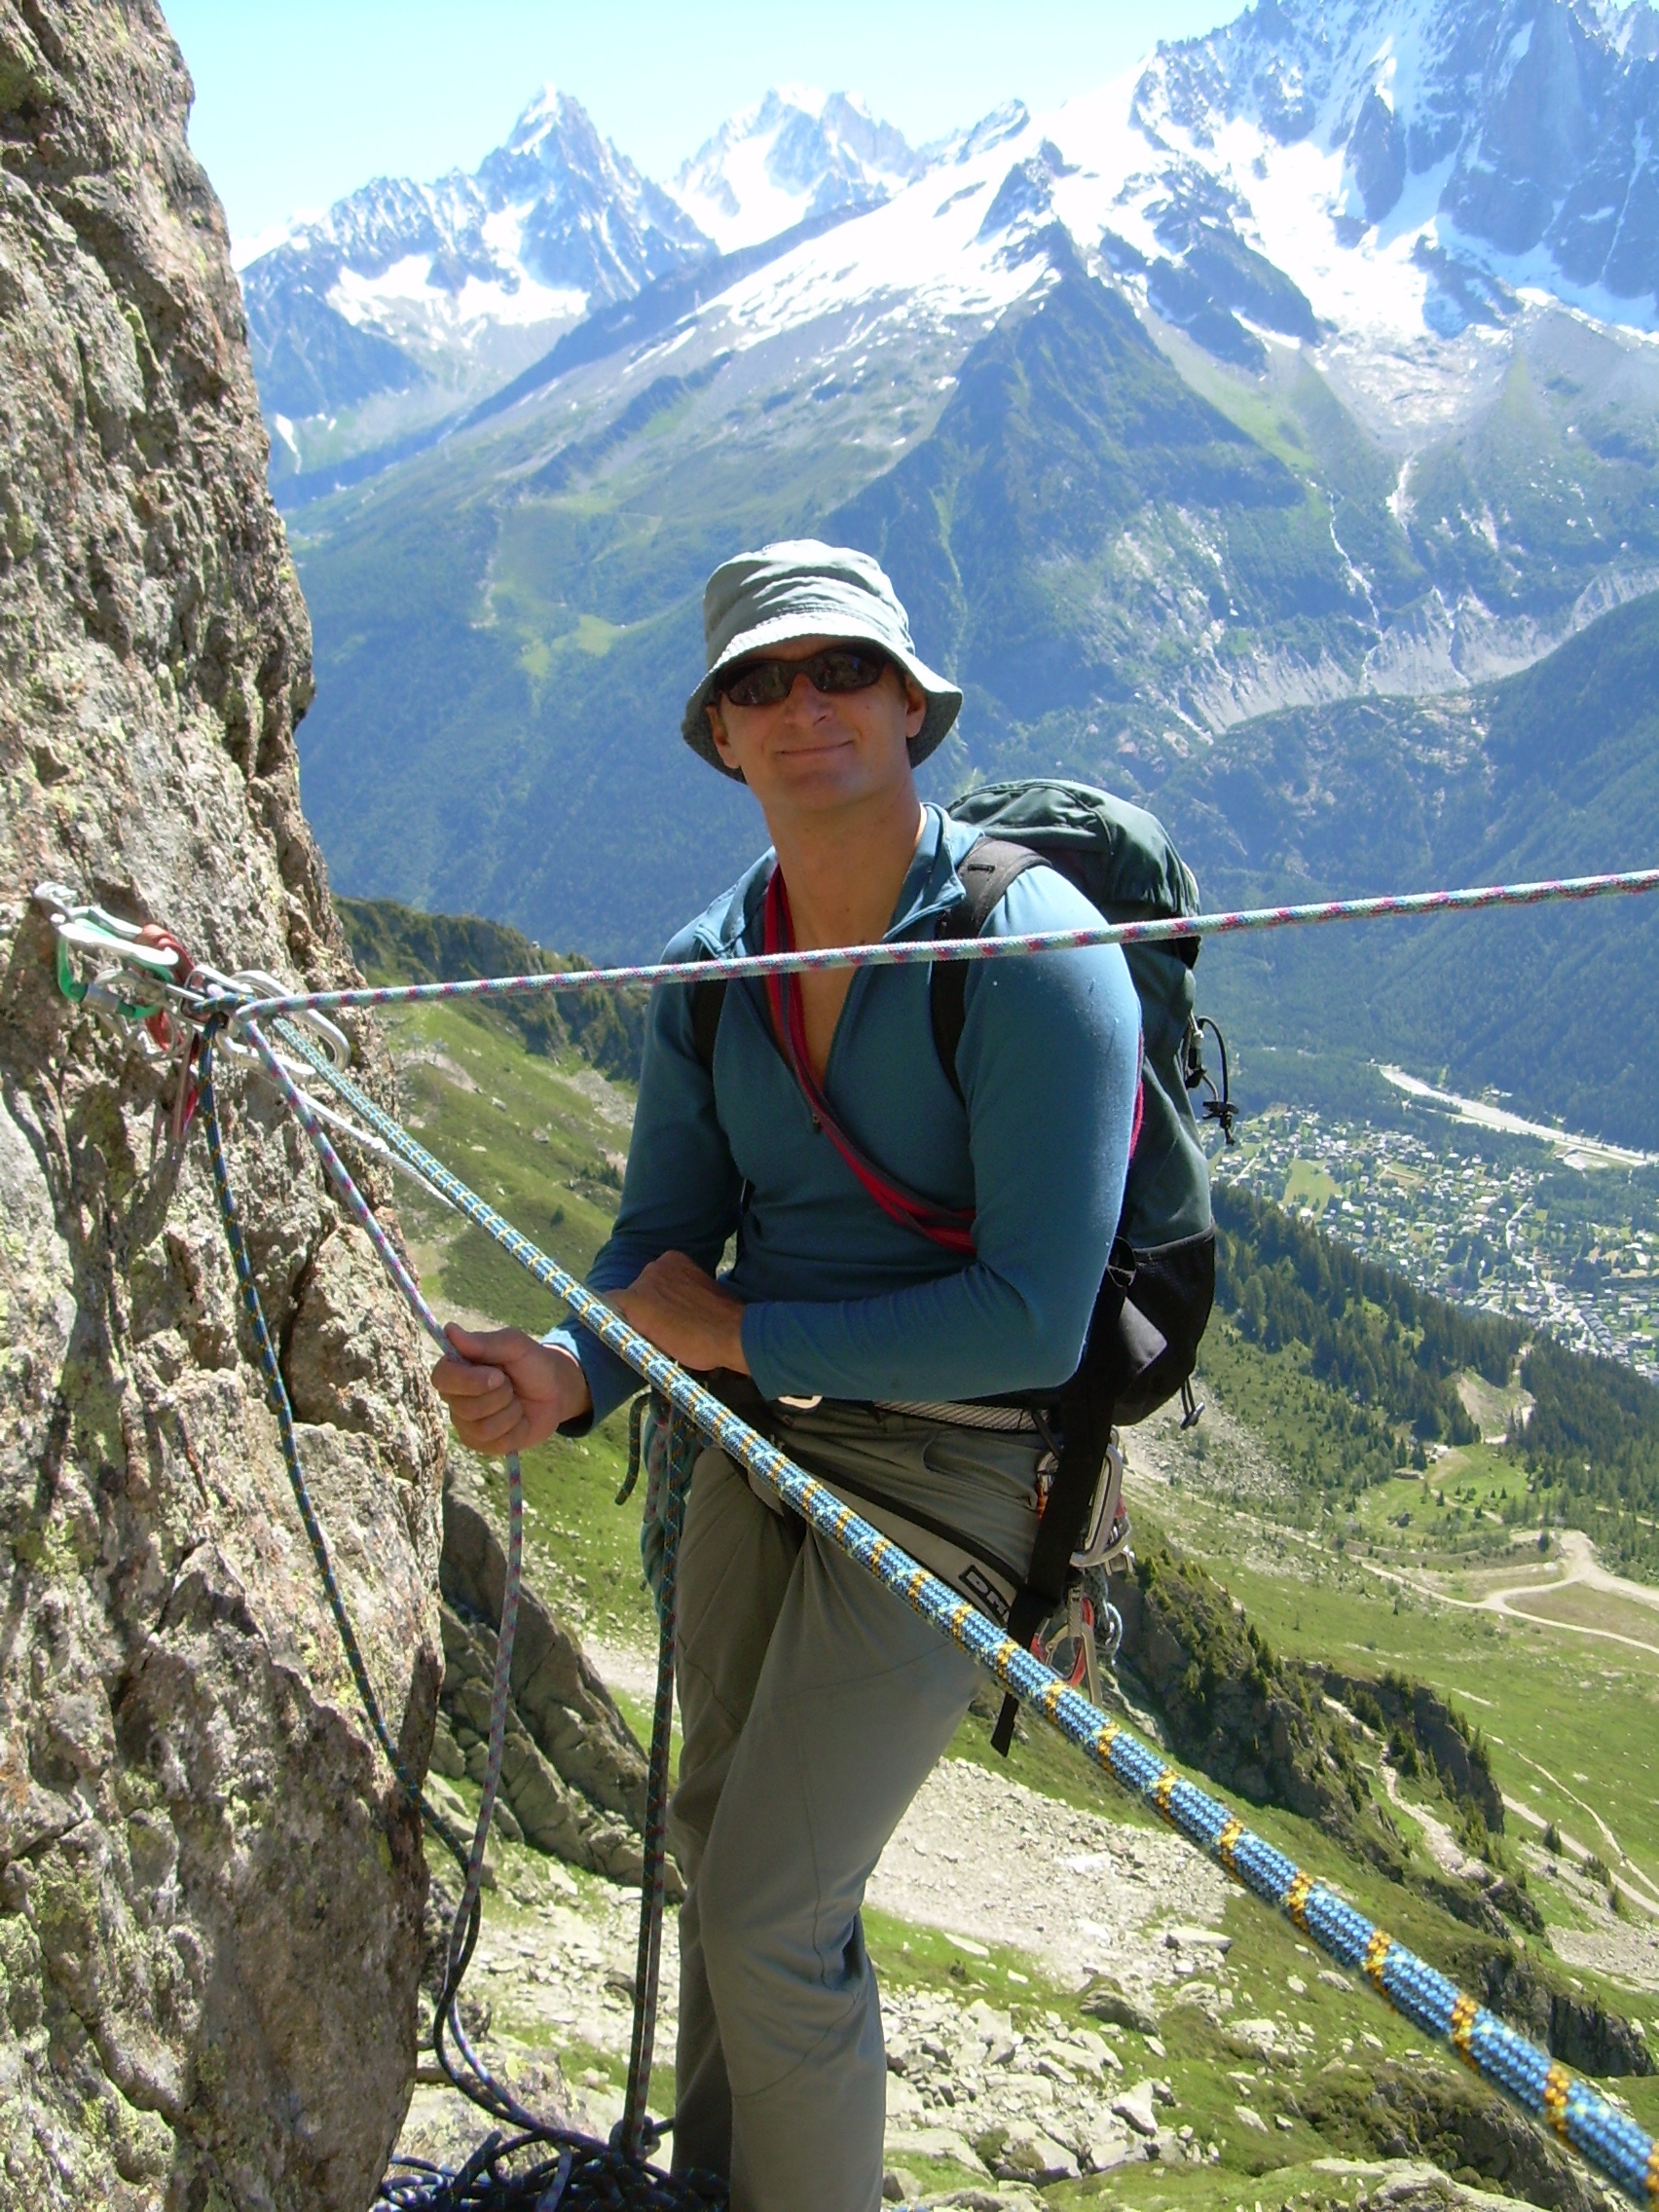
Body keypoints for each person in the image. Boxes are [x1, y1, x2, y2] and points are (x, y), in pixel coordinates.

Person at [431, 541, 1141, 2212]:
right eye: (762, 683)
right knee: (714, 1854)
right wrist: (569, 1375)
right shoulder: (714, 963)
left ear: (910, 706)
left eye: (838, 673)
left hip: (968, 1466)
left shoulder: (1035, 955)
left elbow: (1037, 1318)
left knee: (770, 1912)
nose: (802, 705)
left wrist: (735, 1340)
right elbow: (663, 1240)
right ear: (723, 737)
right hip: (758, 1441)